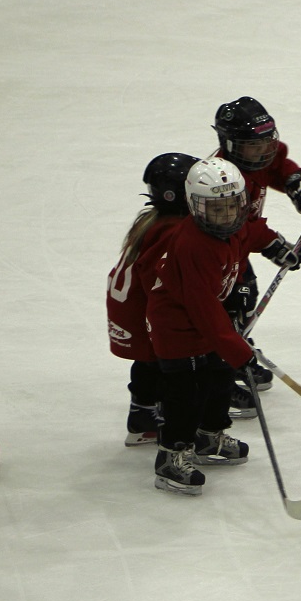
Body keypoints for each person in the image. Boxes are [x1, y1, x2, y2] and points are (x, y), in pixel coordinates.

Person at [145, 157, 301, 495]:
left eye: (233, 206)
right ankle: (171, 457)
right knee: (187, 394)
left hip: (208, 323)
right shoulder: (193, 245)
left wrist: (277, 248)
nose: (227, 215)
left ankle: (209, 437)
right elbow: (203, 310)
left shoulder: (234, 224)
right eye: (216, 209)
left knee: (218, 380)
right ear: (194, 206)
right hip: (177, 329)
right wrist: (237, 350)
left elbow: (253, 231)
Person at [211, 96, 301, 414]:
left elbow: (276, 165)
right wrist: (273, 245)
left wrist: (292, 178)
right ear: (230, 145)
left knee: (244, 298)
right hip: (218, 255)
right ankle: (219, 373)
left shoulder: (253, 159)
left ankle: (235, 352)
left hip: (236, 253)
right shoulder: (226, 181)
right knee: (221, 314)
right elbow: (242, 225)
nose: (263, 150)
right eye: (253, 145)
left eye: (265, 142)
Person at [107, 153, 199, 447]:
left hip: (130, 305)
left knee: (149, 361)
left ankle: (143, 412)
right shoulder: (172, 230)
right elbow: (157, 280)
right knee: (161, 361)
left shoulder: (155, 219)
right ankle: (148, 416)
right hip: (142, 309)